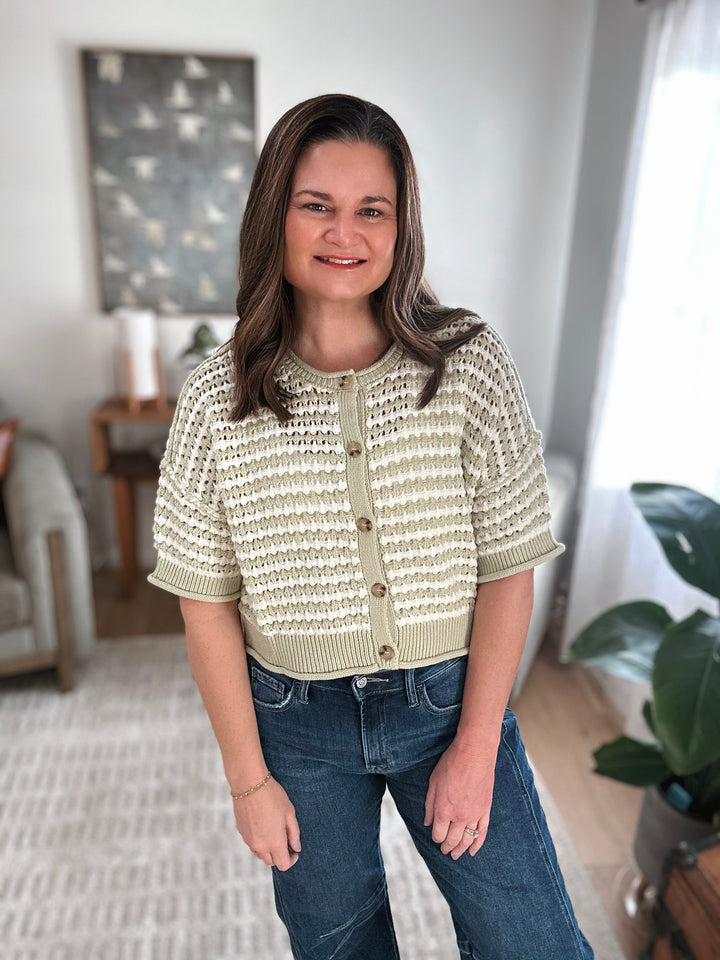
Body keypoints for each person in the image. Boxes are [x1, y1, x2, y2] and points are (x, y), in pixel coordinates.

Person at [149, 93, 594, 960]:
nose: (343, 232)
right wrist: (249, 782)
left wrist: (475, 745)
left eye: (371, 210)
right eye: (316, 204)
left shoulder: (466, 363)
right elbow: (204, 602)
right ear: (276, 214)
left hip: (449, 704)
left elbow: (510, 563)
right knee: (339, 948)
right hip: (295, 725)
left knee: (532, 941)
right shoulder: (215, 399)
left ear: (401, 227)